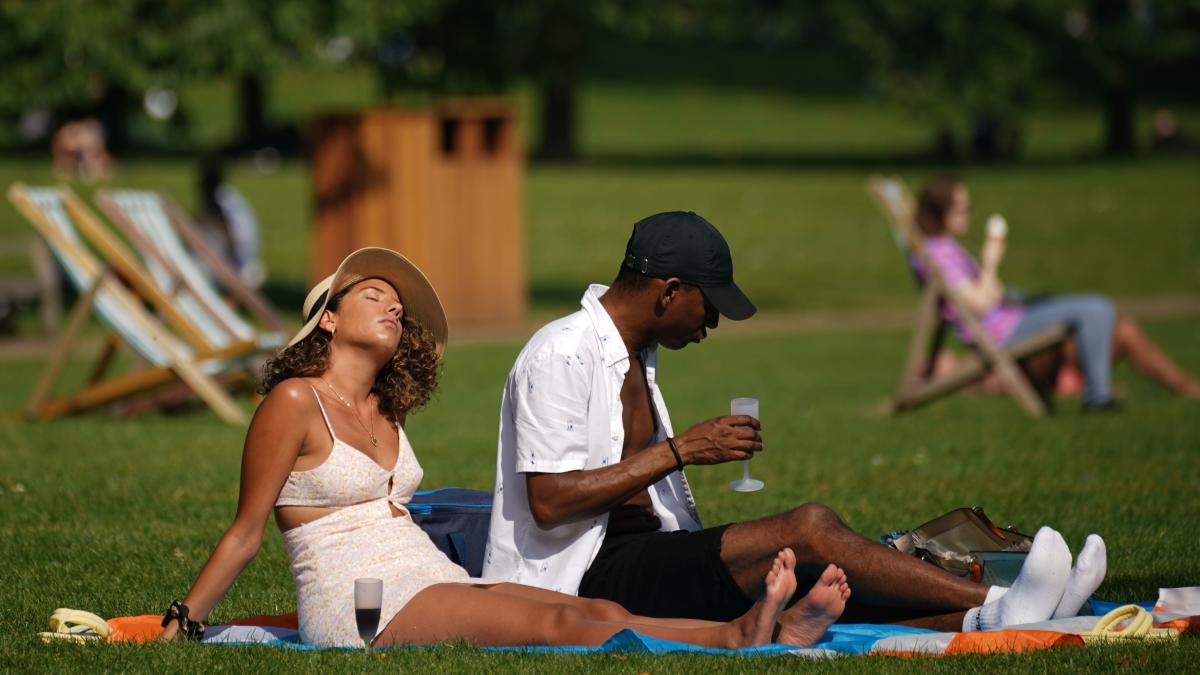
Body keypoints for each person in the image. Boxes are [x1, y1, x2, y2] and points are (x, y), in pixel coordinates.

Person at [158, 247, 850, 649]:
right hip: (356, 600)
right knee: (552, 620)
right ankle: (739, 638)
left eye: (399, 303)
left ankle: (741, 629)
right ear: (329, 318)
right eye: (374, 295)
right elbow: (247, 531)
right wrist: (185, 620)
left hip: (423, 574)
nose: (394, 307)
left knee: (594, 610)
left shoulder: (383, 408)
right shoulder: (293, 402)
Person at [484, 211, 1108, 632]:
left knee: (824, 572)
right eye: (711, 306)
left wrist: (680, 457)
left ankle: (1002, 618)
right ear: (668, 291)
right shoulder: (560, 352)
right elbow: (548, 501)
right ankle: (999, 604)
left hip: (643, 556)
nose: (714, 325)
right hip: (578, 579)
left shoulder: (633, 353)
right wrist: (681, 450)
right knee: (809, 527)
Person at [914, 177, 1200, 410]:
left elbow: (991, 293)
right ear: (941, 213)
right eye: (963, 209)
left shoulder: (946, 248)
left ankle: (1182, 387)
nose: (969, 215)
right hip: (1004, 332)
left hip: (1012, 318)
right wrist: (990, 261)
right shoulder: (938, 254)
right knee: (1096, 308)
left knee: (1119, 326)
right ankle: (1098, 397)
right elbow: (979, 303)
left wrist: (993, 278)